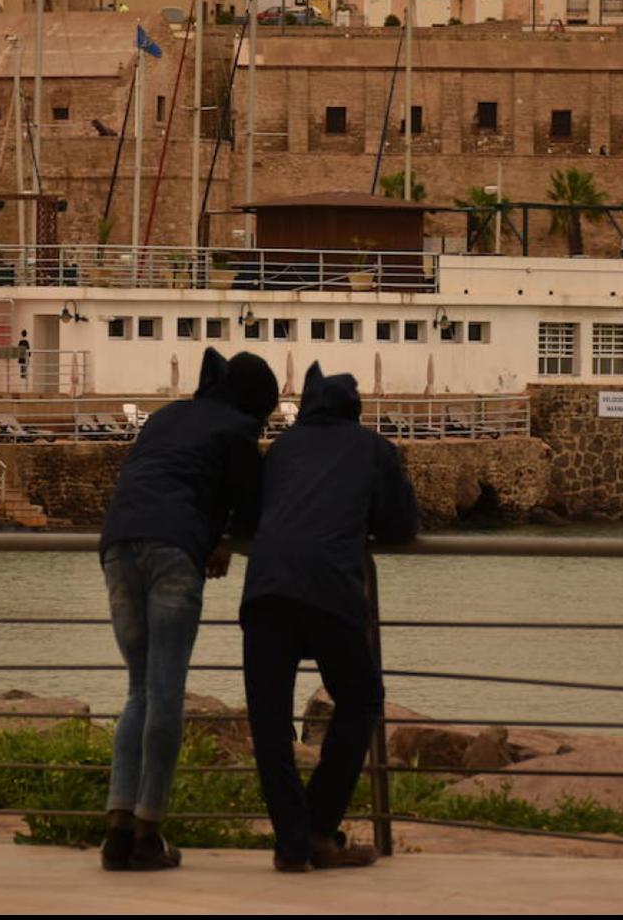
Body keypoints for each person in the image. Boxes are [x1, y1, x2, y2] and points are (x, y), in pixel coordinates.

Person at [98, 347, 277, 872]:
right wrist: (220, 539)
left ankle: (117, 832)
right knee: (165, 692)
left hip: (117, 546)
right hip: (174, 551)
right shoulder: (239, 431)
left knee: (138, 690)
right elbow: (250, 510)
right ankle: (149, 832)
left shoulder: (168, 415)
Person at [239, 363, 418, 873]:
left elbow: (253, 518)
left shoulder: (282, 450)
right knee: (360, 701)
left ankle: (293, 844)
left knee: (270, 724)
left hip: (267, 591)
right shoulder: (373, 450)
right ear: (354, 408)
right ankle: (318, 828)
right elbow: (400, 527)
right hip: (330, 592)